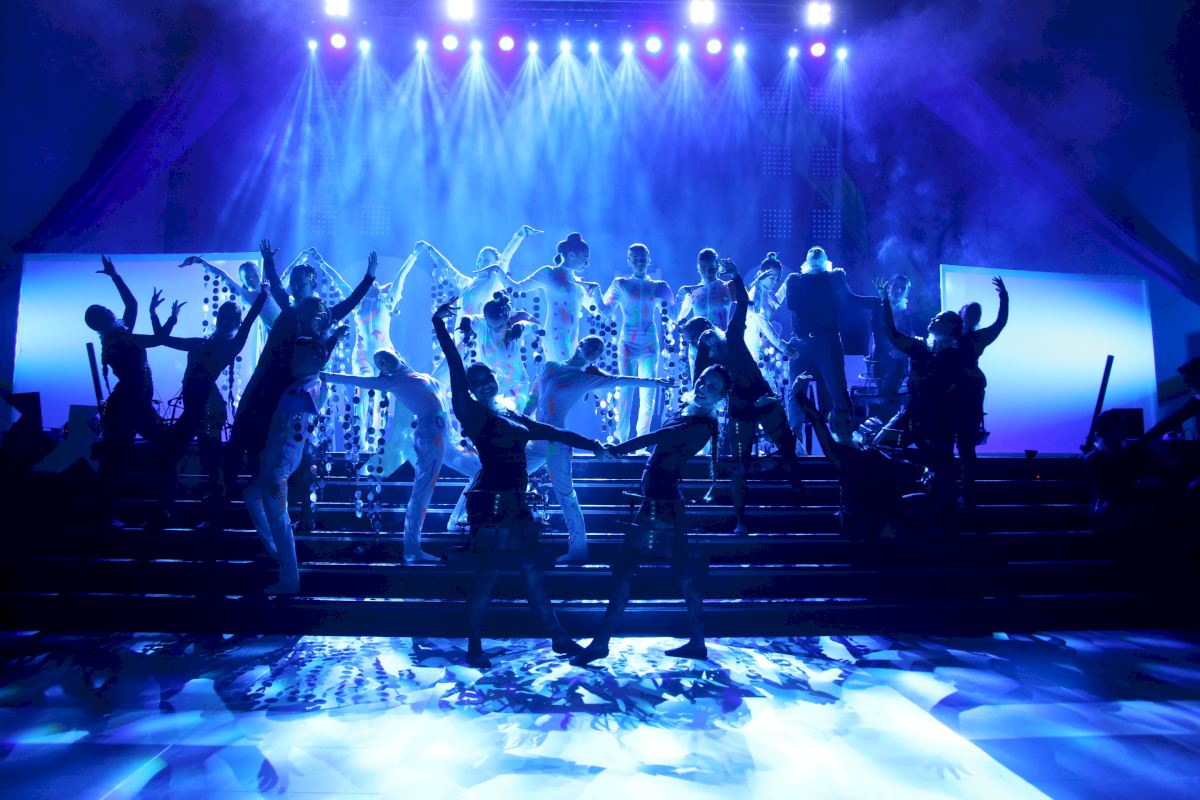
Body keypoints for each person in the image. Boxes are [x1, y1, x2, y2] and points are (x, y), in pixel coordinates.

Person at [434, 297, 604, 668]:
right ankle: (474, 646)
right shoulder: (471, 412)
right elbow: (454, 365)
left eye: (487, 379)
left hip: (515, 502)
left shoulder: (509, 413)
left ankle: (558, 638)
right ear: (469, 389)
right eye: (476, 383)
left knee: (531, 573)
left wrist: (592, 444)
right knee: (487, 575)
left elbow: (550, 431)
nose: (484, 385)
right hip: (491, 502)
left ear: (495, 380)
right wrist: (439, 325)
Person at [571, 364, 731, 667]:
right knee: (681, 573)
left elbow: (655, 437)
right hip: (663, 499)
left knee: (628, 569)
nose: (702, 388)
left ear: (720, 397)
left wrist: (615, 449)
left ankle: (601, 643)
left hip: (660, 502)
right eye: (702, 381)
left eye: (711, 387)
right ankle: (697, 641)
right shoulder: (691, 414)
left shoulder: (698, 424)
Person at [223, 241, 375, 503]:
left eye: (300, 283)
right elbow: (276, 285)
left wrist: (369, 277)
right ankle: (234, 493)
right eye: (293, 283)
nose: (294, 287)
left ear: (312, 284)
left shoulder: (321, 316)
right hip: (266, 377)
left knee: (284, 443)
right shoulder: (289, 309)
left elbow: (350, 303)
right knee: (246, 429)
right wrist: (268, 261)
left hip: (290, 387)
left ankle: (289, 500)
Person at [524, 335, 668, 563]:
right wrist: (521, 422)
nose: (595, 350)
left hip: (556, 443)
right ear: (580, 344)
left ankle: (578, 550)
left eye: (599, 350)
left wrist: (655, 383)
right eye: (592, 345)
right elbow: (534, 396)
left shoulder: (584, 379)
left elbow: (621, 381)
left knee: (566, 495)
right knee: (504, 473)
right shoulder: (550, 366)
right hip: (536, 439)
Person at [682, 262, 802, 532]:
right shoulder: (705, 360)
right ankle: (741, 520)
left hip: (763, 397)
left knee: (785, 443)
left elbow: (742, 303)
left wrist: (736, 275)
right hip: (739, 409)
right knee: (740, 464)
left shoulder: (733, 335)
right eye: (697, 339)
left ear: (711, 327)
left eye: (704, 333)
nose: (704, 339)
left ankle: (798, 488)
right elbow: (698, 385)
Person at [148, 280, 270, 526]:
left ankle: (209, 514)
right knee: (186, 456)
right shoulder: (199, 342)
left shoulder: (232, 344)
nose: (225, 321)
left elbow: (250, 319)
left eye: (231, 319)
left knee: (207, 460)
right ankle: (168, 510)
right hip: (197, 407)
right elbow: (162, 339)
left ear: (236, 324)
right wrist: (161, 315)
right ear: (217, 318)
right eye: (223, 316)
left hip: (208, 409)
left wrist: (263, 293)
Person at [244, 311, 347, 594]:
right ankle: (278, 552)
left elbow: (289, 429)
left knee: (279, 518)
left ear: (314, 359)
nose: (293, 360)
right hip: (278, 458)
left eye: (299, 356)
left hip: (280, 461)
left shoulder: (306, 388)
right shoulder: (305, 384)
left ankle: (289, 577)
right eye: (294, 355)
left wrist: (273, 470)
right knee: (252, 497)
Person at [322, 349, 448, 563]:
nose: (384, 362)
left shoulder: (418, 375)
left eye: (385, 356)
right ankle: (412, 550)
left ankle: (457, 520)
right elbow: (354, 380)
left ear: (397, 354)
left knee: (476, 468)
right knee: (422, 492)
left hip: (445, 435)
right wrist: (322, 375)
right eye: (379, 363)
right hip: (430, 436)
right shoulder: (392, 382)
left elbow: (444, 373)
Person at [84, 256, 170, 527]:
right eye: (104, 311)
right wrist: (164, 319)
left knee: (117, 460)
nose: (110, 310)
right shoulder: (120, 339)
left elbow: (132, 305)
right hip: (128, 407)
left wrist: (115, 276)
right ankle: (112, 514)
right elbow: (157, 338)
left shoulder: (118, 335)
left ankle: (149, 510)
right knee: (116, 460)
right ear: (102, 321)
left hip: (131, 405)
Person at [776, 246, 877, 445]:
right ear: (807, 261)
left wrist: (878, 301)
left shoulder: (834, 278)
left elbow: (848, 299)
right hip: (802, 342)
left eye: (819, 256)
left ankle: (845, 439)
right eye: (812, 256)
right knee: (796, 392)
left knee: (837, 389)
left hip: (827, 340)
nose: (815, 257)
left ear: (825, 261)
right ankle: (793, 444)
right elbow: (793, 304)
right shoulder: (796, 280)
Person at [878, 281, 968, 505]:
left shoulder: (956, 356)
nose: (933, 319)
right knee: (881, 445)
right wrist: (885, 301)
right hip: (912, 414)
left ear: (950, 327)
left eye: (939, 319)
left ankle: (943, 502)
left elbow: (955, 390)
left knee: (941, 468)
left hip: (938, 421)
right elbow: (892, 334)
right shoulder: (919, 346)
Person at [600, 243, 676, 440]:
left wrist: (681, 295)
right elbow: (605, 310)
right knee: (626, 392)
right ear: (629, 261)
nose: (639, 263)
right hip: (627, 343)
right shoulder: (621, 284)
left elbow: (674, 315)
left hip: (650, 344)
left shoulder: (657, 286)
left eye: (642, 259)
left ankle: (641, 443)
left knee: (648, 395)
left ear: (648, 260)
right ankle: (623, 442)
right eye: (635, 260)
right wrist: (594, 292)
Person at [500, 232, 603, 363]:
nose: (587, 263)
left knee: (572, 372)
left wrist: (597, 293)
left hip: (573, 337)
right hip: (556, 335)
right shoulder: (549, 273)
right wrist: (498, 270)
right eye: (585, 258)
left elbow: (597, 310)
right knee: (563, 372)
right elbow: (517, 288)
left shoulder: (578, 283)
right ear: (571, 255)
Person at [955, 277, 1009, 505]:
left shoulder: (975, 338)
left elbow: (1000, 322)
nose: (971, 315)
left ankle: (967, 492)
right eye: (969, 311)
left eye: (974, 313)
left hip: (968, 395)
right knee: (958, 445)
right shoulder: (949, 336)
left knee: (966, 446)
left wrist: (1004, 297)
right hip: (955, 395)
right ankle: (955, 491)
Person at [421, 226, 542, 319]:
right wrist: (430, 249)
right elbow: (447, 268)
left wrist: (519, 235)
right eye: (479, 259)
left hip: (480, 340)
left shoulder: (493, 283)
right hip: (460, 339)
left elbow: (505, 258)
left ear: (495, 264)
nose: (481, 263)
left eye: (486, 261)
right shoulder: (466, 283)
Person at [179, 256, 282, 331]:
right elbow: (223, 276)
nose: (252, 279)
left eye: (255, 275)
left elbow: (287, 276)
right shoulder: (246, 295)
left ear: (259, 274)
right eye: (247, 277)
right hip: (276, 333)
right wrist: (200, 261)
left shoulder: (270, 287)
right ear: (242, 280)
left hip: (288, 322)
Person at [868, 274, 914, 422]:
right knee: (883, 396)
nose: (899, 290)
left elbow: (912, 338)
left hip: (897, 362)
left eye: (903, 288)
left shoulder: (907, 313)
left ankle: (890, 430)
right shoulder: (878, 306)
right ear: (889, 286)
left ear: (907, 292)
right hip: (878, 360)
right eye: (896, 286)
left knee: (889, 396)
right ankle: (885, 429)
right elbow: (874, 335)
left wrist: (904, 350)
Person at [676, 248, 733, 330]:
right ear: (698, 268)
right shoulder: (694, 291)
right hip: (698, 337)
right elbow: (678, 317)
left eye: (711, 269)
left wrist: (735, 274)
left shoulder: (727, 287)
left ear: (717, 266)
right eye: (703, 269)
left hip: (722, 337)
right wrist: (682, 292)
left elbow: (747, 305)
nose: (707, 273)